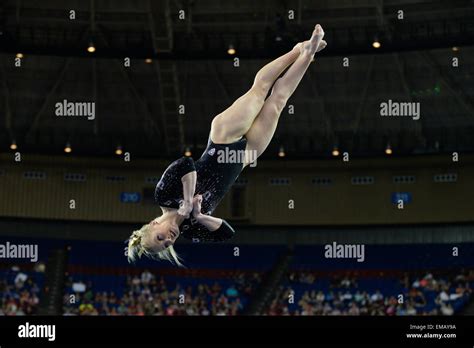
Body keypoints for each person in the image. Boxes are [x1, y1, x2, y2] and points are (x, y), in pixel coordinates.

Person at [127, 24, 327, 266]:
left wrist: (188, 200)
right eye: (168, 244)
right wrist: (200, 216)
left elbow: (185, 163)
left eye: (160, 237)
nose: (169, 239)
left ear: (153, 224)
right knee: (278, 101)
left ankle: (296, 50)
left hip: (223, 138)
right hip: (243, 158)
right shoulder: (192, 228)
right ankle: (309, 53)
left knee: (261, 89)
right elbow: (226, 233)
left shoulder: (164, 195)